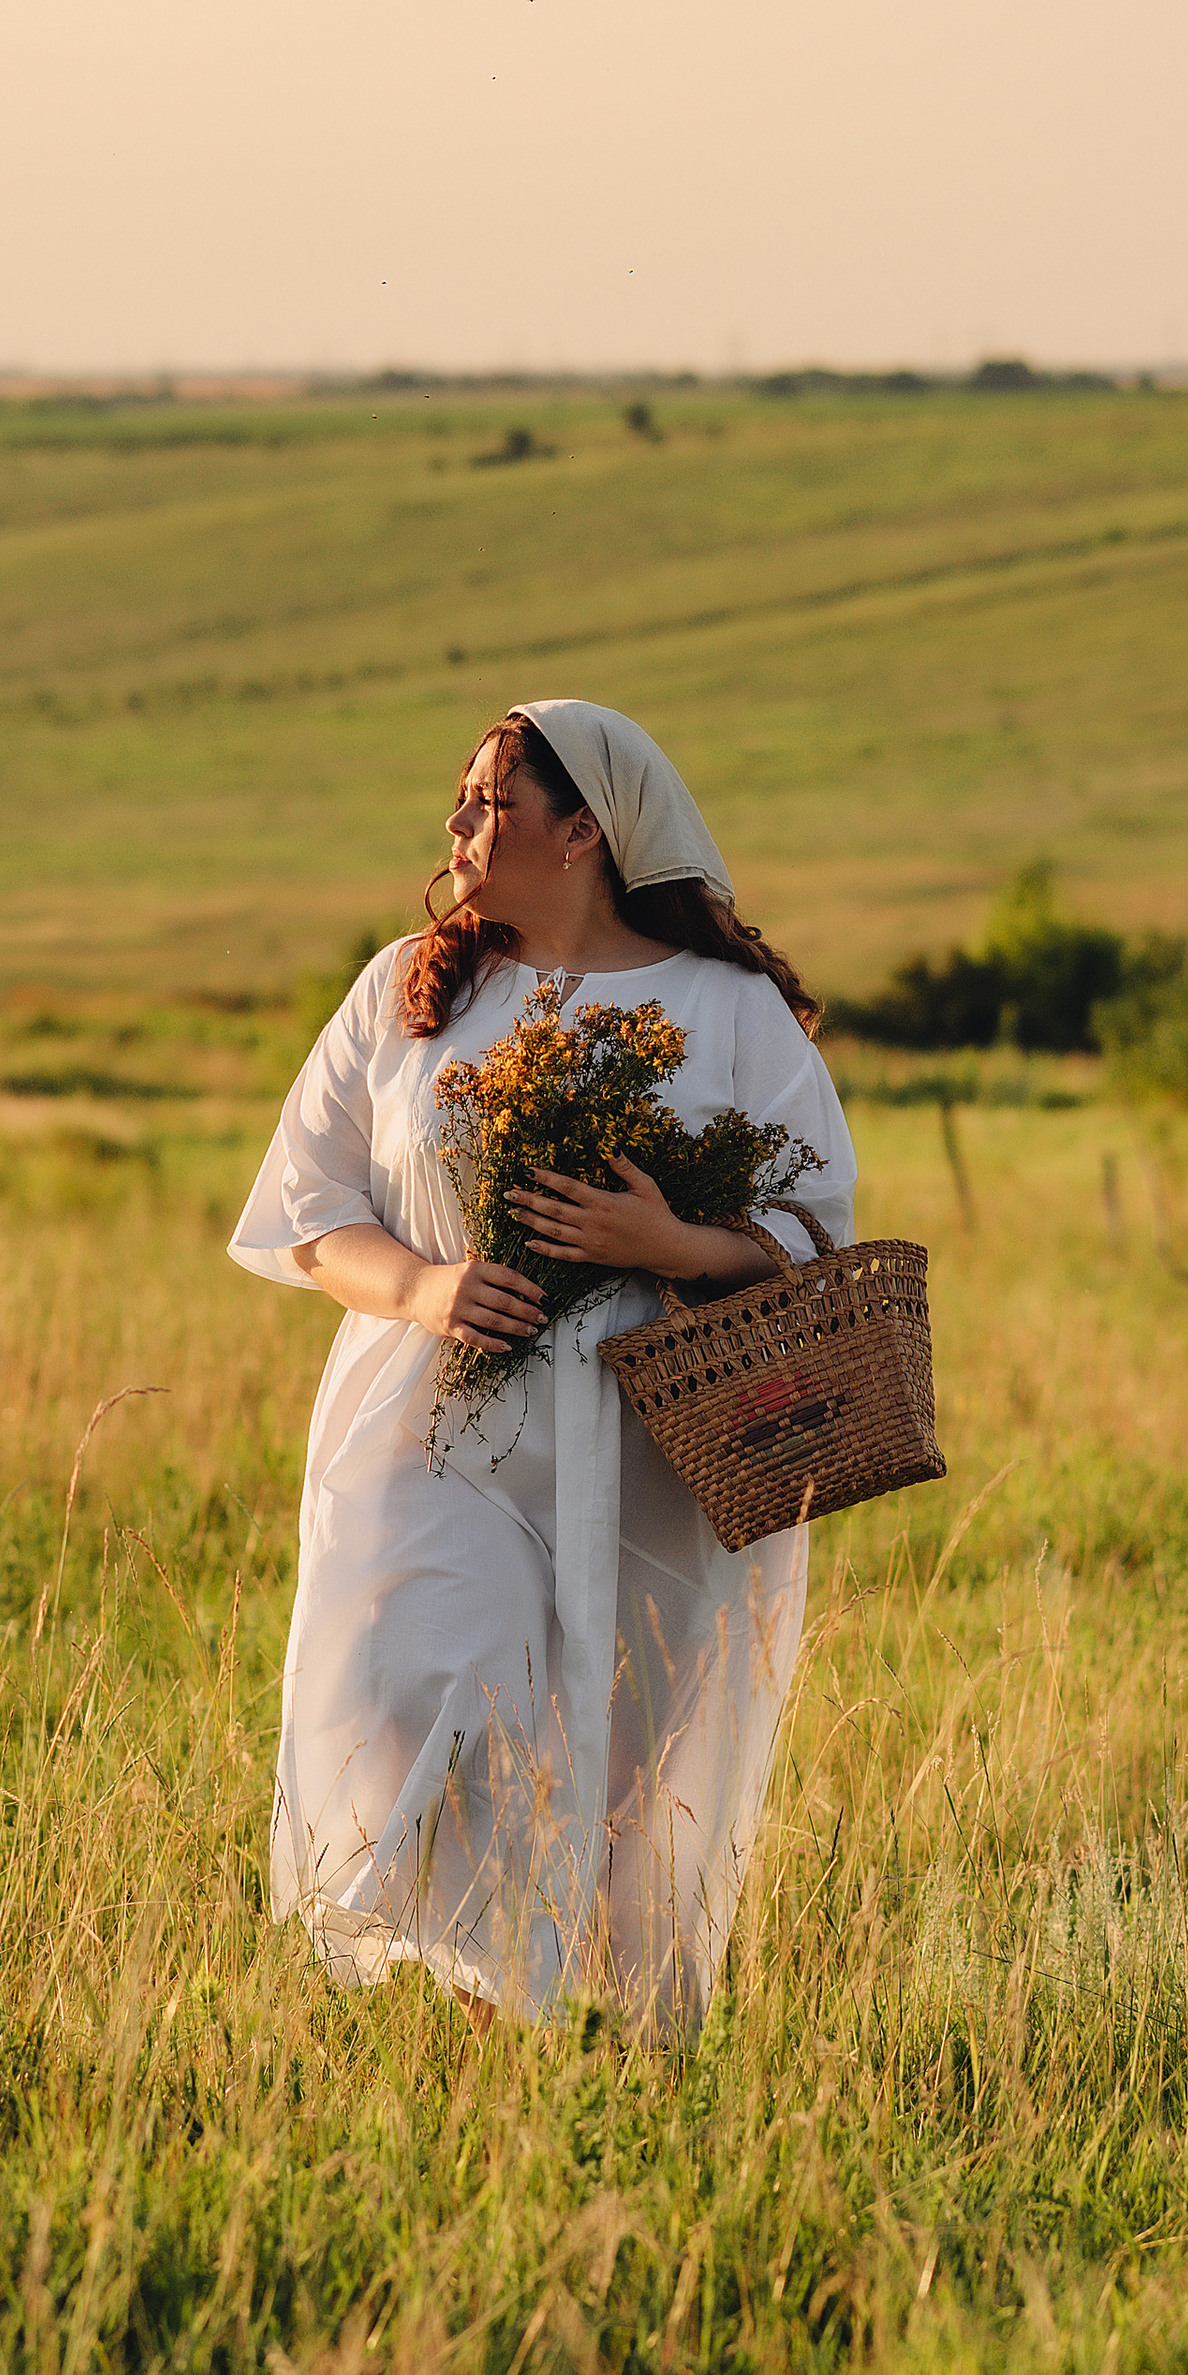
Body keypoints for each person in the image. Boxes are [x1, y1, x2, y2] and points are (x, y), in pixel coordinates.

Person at [229, 698, 858, 2036]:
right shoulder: (408, 988)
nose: (458, 822)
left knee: (623, 1753)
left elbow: (817, 1231)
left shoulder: (725, 1007)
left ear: (585, 833)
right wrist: (426, 1287)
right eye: (463, 797)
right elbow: (310, 1207)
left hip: (648, 1446)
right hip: (430, 1426)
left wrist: (666, 1242)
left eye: (492, 802)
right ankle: (479, 1988)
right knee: (413, 1679)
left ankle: (573, 2042)